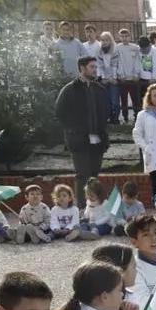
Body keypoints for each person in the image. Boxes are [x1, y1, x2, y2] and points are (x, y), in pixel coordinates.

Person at [55, 56, 110, 208]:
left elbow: (106, 111)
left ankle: (95, 207)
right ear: (82, 68)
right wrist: (74, 130)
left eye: (95, 67)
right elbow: (60, 112)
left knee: (94, 176)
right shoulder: (69, 89)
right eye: (92, 67)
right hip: (79, 140)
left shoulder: (99, 89)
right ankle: (81, 208)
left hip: (98, 139)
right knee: (83, 175)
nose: (94, 70)